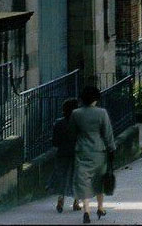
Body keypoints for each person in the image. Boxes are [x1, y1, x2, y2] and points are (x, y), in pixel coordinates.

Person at [71, 86, 116, 223]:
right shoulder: (102, 113)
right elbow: (108, 134)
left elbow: (71, 133)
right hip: (99, 151)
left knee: (83, 180)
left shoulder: (76, 113)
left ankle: (86, 210)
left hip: (82, 150)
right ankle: (100, 207)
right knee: (99, 180)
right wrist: (111, 148)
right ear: (96, 98)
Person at [48, 98, 81, 213]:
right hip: (77, 154)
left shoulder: (58, 123)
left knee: (62, 177)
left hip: (62, 153)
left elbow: (55, 142)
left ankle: (60, 200)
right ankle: (76, 202)